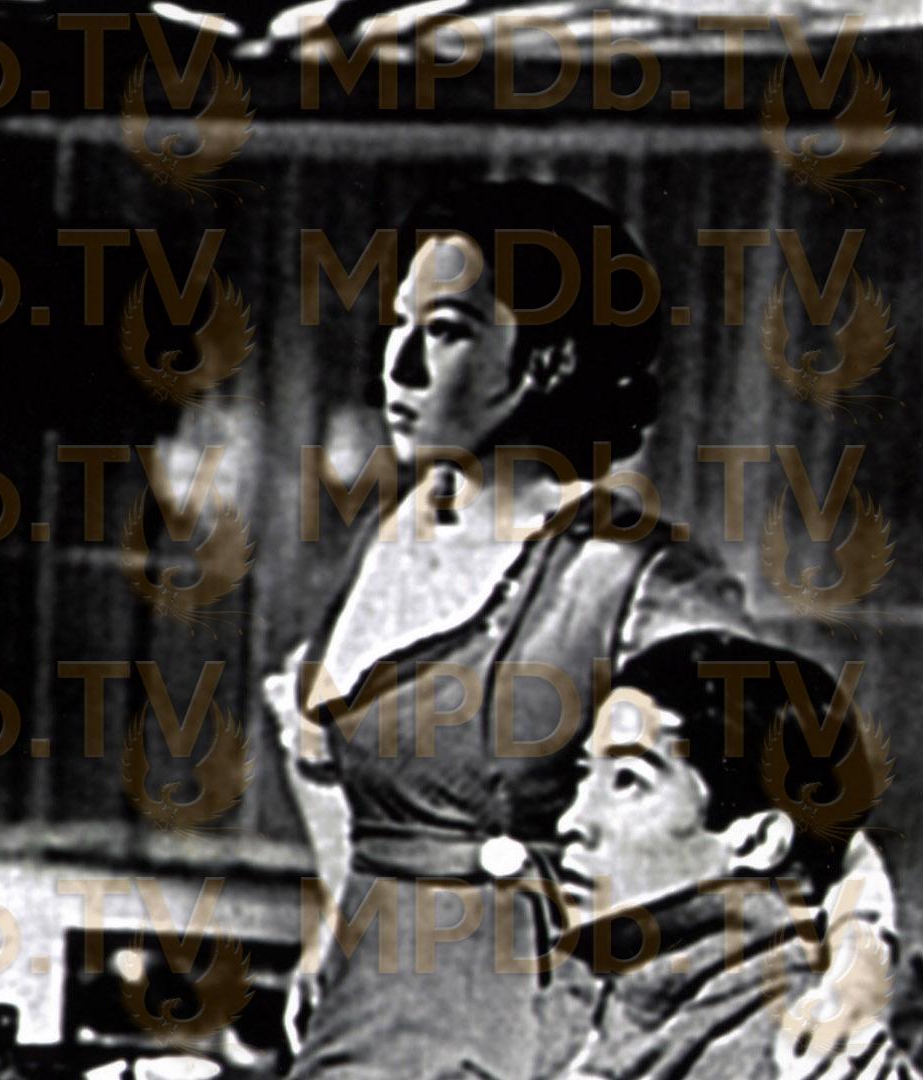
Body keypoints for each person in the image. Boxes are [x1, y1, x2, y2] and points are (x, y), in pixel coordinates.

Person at [264, 180, 894, 1078]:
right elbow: (323, 749)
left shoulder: (624, 573)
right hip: (357, 1022)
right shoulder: (388, 535)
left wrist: (860, 974)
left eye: (447, 331)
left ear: (548, 360)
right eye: (398, 324)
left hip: (518, 1038)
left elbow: (810, 810)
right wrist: (338, 915)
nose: (397, 366)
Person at [551, 632, 911, 1079]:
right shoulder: (613, 1004)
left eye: (627, 780)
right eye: (585, 776)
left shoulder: (804, 1055)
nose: (571, 822)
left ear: (759, 841)